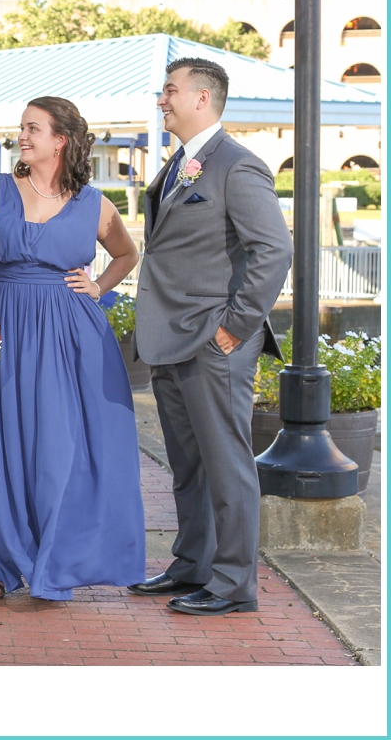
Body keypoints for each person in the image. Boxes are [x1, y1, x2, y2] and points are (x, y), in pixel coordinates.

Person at [0, 95, 145, 604]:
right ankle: (1, 563)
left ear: (60, 140)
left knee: (58, 452)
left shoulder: (94, 203)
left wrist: (99, 286)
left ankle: (54, 559)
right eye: (22, 127)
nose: (23, 136)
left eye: (33, 128)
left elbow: (127, 254)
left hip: (70, 338)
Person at [130, 54, 292, 616]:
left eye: (170, 90)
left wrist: (235, 327)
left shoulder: (237, 166)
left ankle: (231, 584)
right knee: (189, 464)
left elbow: (274, 250)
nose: (162, 99)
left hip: (213, 341)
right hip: (170, 338)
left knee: (227, 464)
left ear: (203, 97)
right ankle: (192, 563)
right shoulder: (178, 164)